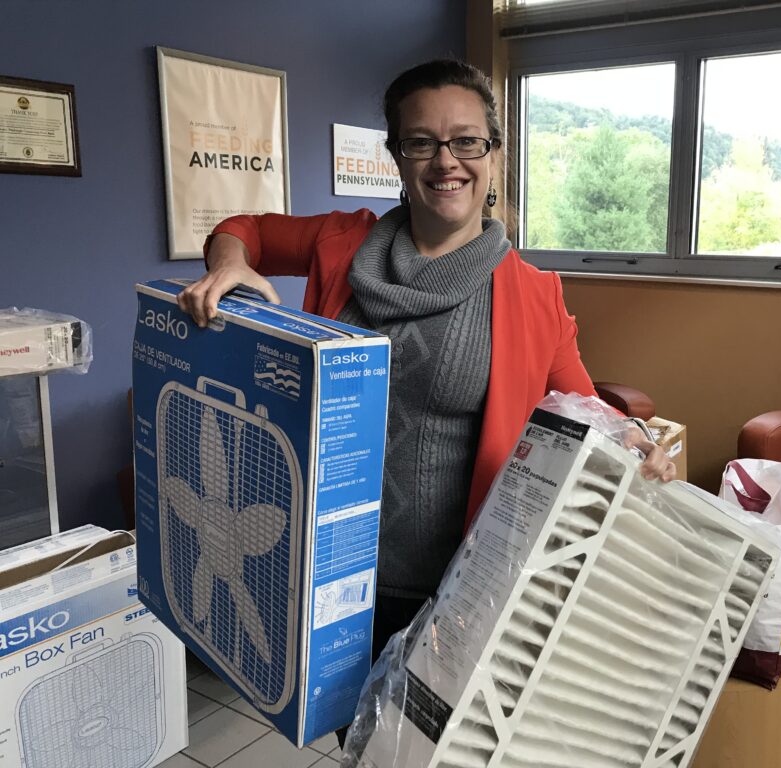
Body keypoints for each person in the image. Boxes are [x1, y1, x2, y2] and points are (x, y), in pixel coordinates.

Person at [177, 57, 675, 745]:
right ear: (397, 156)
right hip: (331, 575)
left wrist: (638, 439)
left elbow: (585, 407)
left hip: (451, 593)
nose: (447, 161)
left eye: (467, 141)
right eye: (422, 142)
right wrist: (229, 265)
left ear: (494, 155)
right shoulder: (340, 243)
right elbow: (245, 228)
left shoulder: (534, 295)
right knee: (352, 739)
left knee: (425, 749)